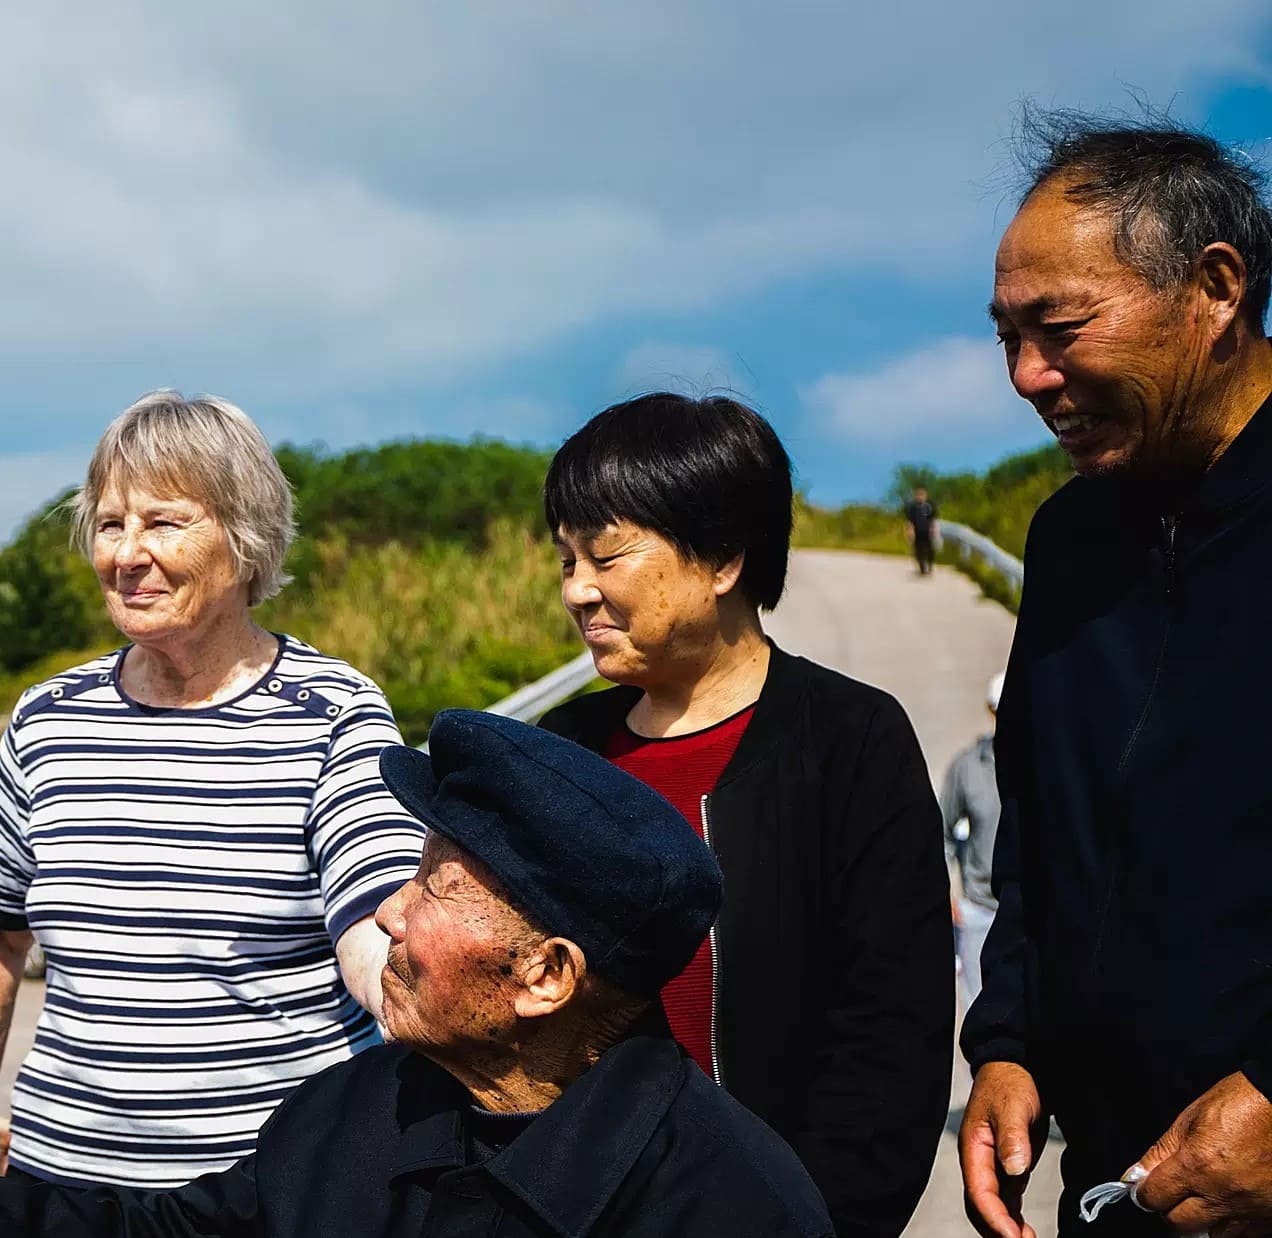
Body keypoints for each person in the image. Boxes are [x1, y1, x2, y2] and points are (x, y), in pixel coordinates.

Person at [0, 710, 836, 1238]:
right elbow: (163, 1230)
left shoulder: (727, 1199)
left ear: (545, 976)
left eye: (436, 883)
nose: (391, 905)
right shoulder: (358, 1109)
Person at [0, 391, 424, 1188]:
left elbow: (376, 917)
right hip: (63, 1188)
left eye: (162, 522)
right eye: (108, 523)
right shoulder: (48, 720)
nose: (126, 554)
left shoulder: (331, 712)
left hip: (271, 1193)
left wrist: (422, 1004)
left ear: (245, 537)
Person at [536, 393, 953, 1238]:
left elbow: (890, 1043)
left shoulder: (848, 740)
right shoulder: (563, 750)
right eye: (566, 559)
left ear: (723, 558)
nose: (578, 591)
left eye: (607, 556)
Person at [964, 113, 1272, 1238]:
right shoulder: (1069, 540)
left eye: (1059, 326)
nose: (1027, 375)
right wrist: (1005, 1039)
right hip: (1120, 1182)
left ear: (1215, 288)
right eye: (1005, 335)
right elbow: (1039, 830)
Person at [938, 672, 1002, 1008]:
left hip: (1032, 912)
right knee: (982, 1010)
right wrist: (946, 895)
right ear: (990, 711)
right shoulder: (967, 769)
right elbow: (941, 833)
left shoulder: (1046, 766)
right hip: (978, 908)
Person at [904, 486, 941, 575]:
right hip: (917, 532)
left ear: (925, 495)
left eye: (922, 494)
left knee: (930, 550)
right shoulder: (912, 507)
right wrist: (910, 531)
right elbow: (909, 521)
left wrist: (934, 529)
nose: (920, 496)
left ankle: (930, 565)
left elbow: (934, 518)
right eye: (918, 494)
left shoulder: (930, 505)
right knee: (918, 551)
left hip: (928, 532)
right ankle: (922, 568)